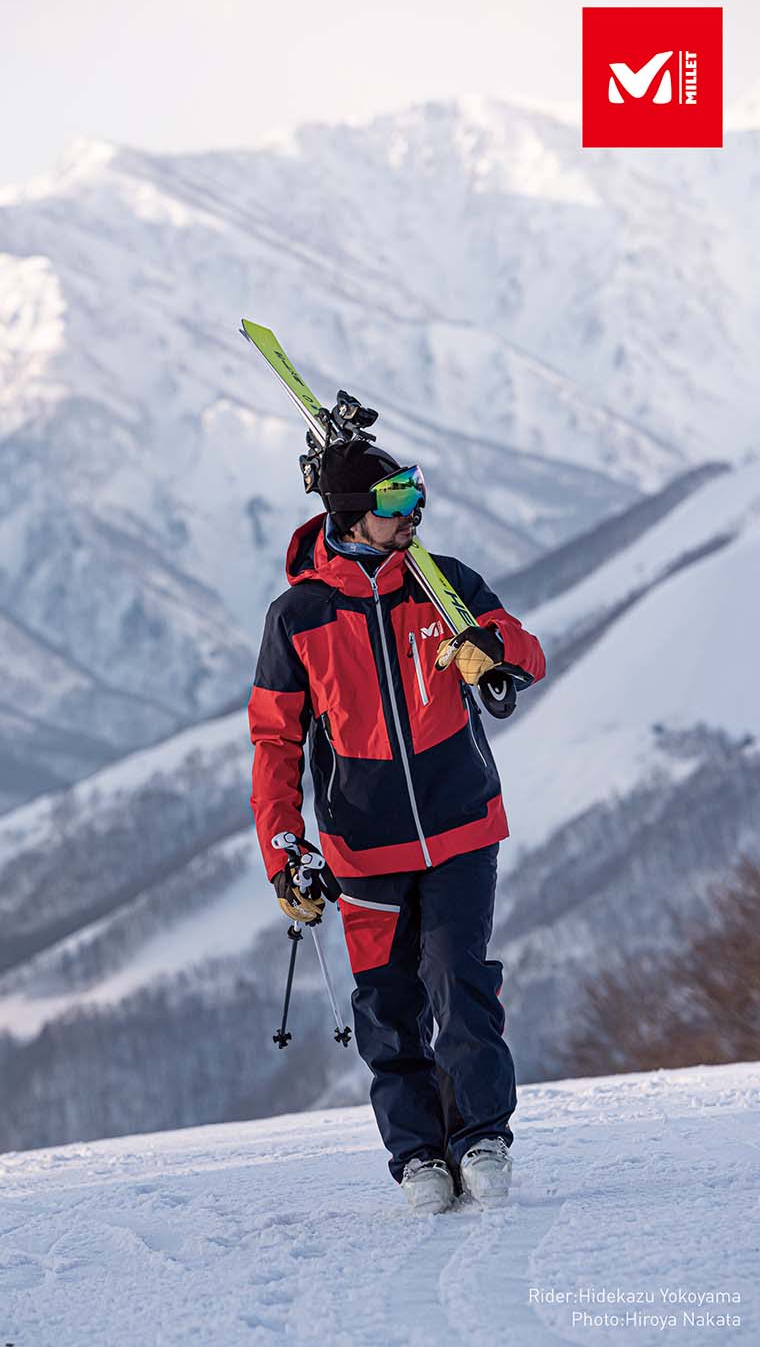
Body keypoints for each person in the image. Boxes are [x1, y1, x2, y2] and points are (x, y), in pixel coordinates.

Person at [247, 437, 546, 1214]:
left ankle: (482, 1135)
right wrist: (284, 848)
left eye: (414, 489)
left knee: (461, 979)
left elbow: (528, 651)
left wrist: (493, 646)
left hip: (460, 826)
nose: (412, 509)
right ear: (351, 515)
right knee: (387, 1000)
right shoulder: (300, 617)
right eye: (392, 500)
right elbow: (275, 742)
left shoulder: (441, 583)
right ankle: (418, 1153)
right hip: (363, 845)